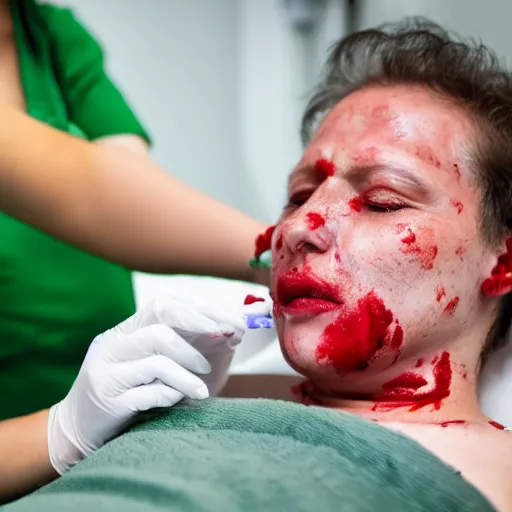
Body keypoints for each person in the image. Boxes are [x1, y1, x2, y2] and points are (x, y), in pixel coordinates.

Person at [8, 19, 512, 512]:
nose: (294, 229)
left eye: (383, 201)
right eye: (297, 197)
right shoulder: (156, 407)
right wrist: (61, 430)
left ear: (503, 260)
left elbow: (104, 184)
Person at [0, 0, 266, 420]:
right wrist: (279, 254)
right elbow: (94, 195)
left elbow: (127, 180)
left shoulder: (45, 30)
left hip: (112, 389)